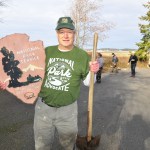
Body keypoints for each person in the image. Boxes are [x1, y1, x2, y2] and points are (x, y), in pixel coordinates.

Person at [0, 16, 99, 150]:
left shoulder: (81, 55)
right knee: (42, 145)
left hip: (68, 111)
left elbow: (88, 83)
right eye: (61, 32)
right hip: (43, 109)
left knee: (68, 145)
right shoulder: (46, 52)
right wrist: (7, 81)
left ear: (74, 34)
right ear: (56, 34)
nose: (65, 35)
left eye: (69, 32)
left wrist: (93, 71)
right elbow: (28, 72)